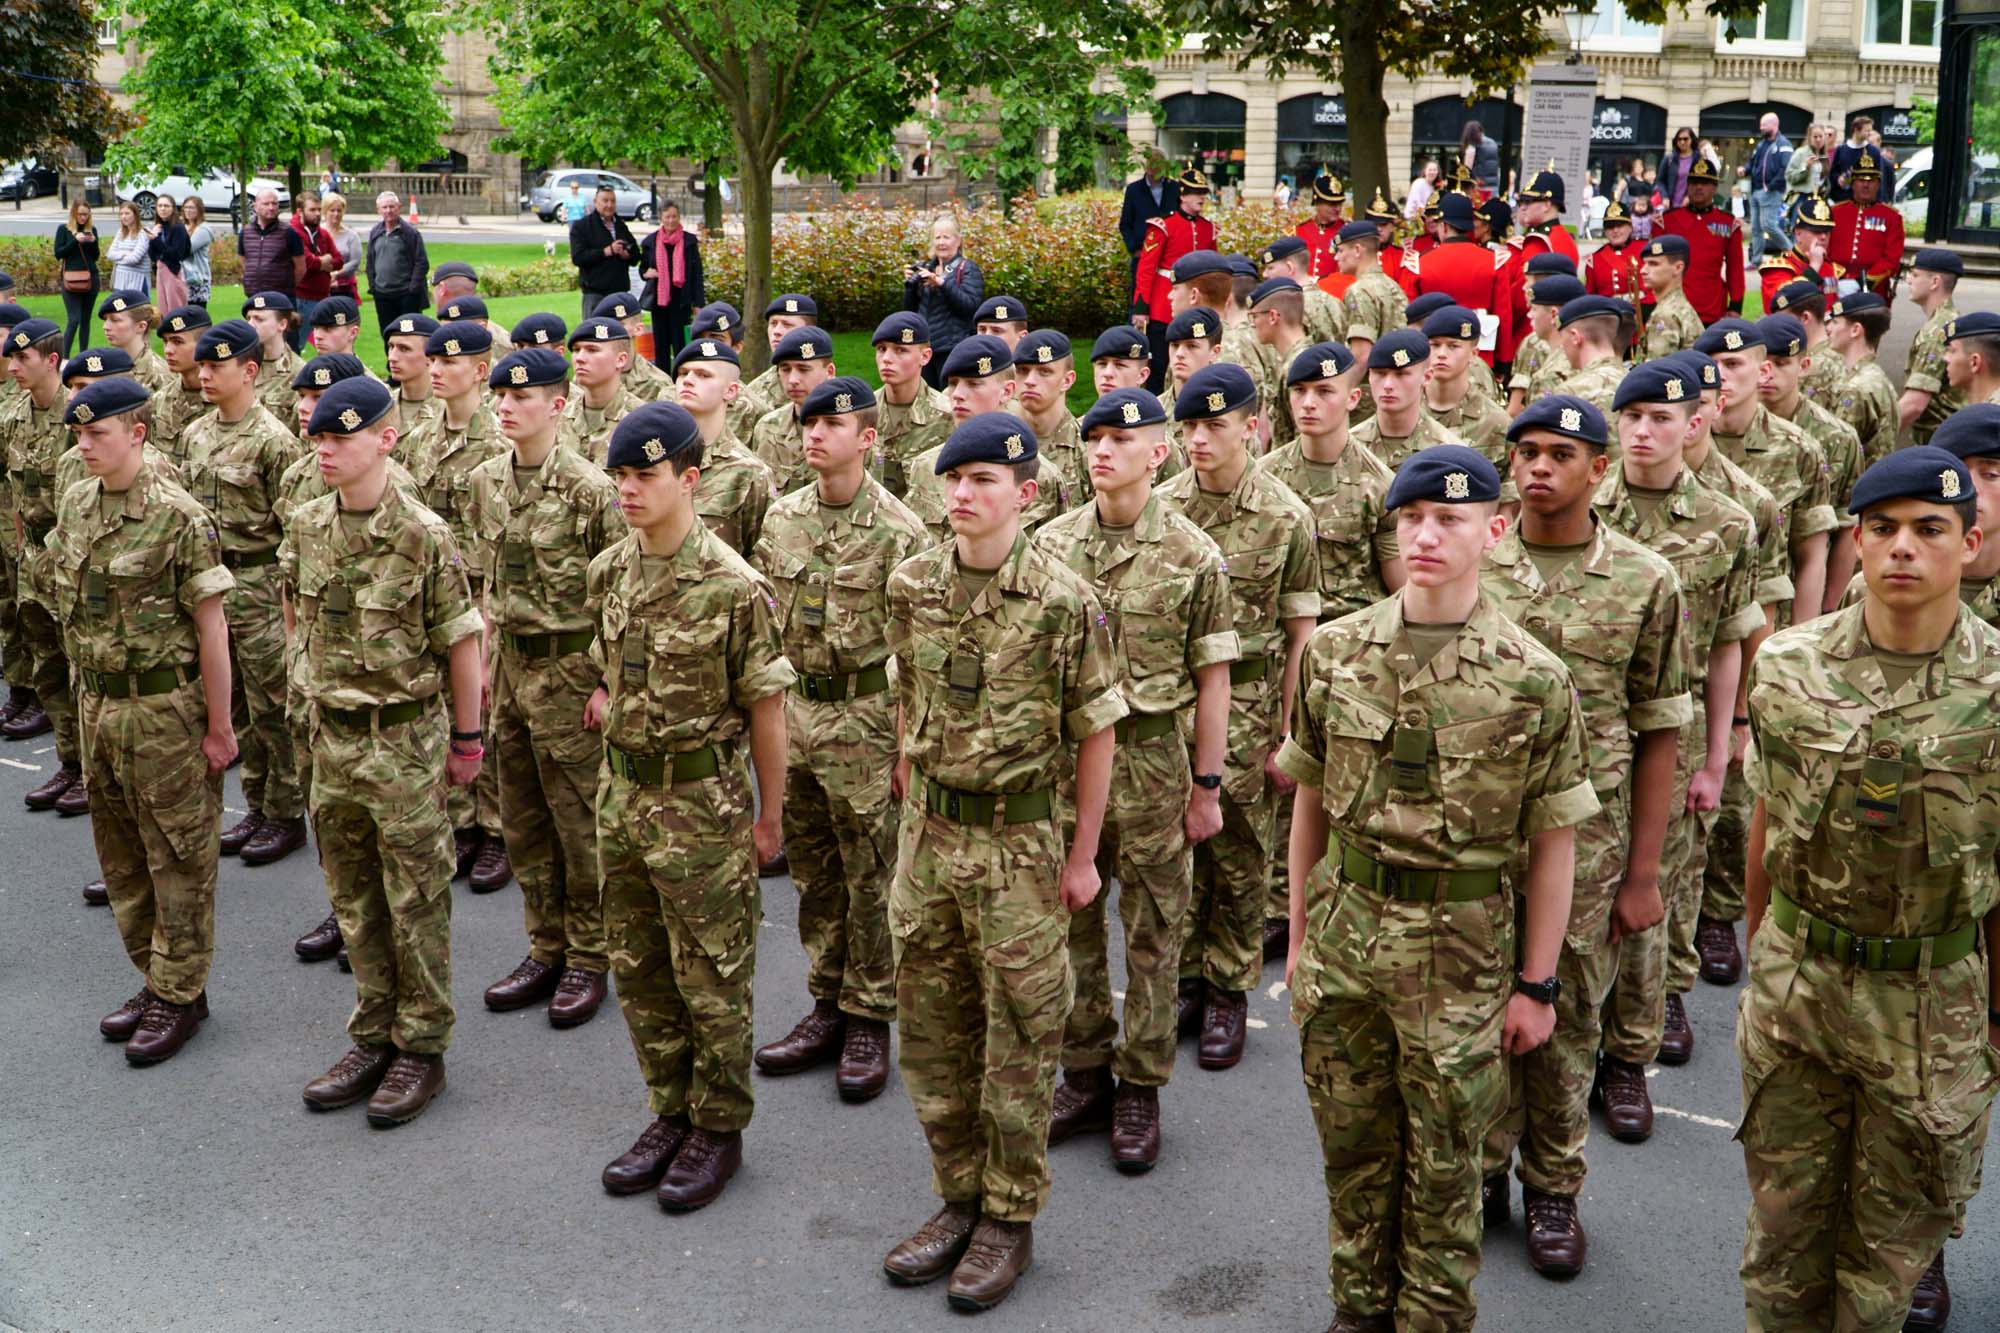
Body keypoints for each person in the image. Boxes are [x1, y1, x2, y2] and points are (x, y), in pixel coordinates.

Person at [1281, 441, 1594, 1329]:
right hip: (1346, 933)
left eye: (1449, 519)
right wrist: (1300, 939)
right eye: (1411, 517)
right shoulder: (1337, 652)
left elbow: (1555, 842)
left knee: (1448, 1169)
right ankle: (1357, 1307)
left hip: (1463, 949)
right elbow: (1309, 799)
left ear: (1494, 530)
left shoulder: (1534, 677)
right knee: (1353, 1150)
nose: (1425, 535)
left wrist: (1537, 983)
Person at [1738, 446, 2000, 1330]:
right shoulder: (1788, 665)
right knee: (1780, 1251)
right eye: (1882, 529)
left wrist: (1996, 1017)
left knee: (1885, 1275)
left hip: (1933, 1001)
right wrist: (1760, 962)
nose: (1902, 549)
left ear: (1969, 542)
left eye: (1930, 530)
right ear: (1856, 539)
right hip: (1797, 988)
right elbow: (1766, 825)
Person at [876, 410, 1124, 1312]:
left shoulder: (1064, 601)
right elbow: (908, 689)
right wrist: (910, 775)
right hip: (931, 841)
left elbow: (1095, 730)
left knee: (1019, 1039)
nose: (964, 494)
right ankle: (957, 1198)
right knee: (935, 1032)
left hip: (1021, 843)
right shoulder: (910, 584)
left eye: (984, 480)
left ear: (1026, 493)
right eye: (954, 479)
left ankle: (1009, 1218)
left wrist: (1083, 855)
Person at [1476, 396, 1690, 1279]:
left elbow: (1660, 733)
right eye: (1525, 451)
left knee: (1564, 1020)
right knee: (1477, 1012)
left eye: (1560, 453)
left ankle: (1554, 1186)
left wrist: (1643, 873)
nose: (1537, 467)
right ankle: (1483, 1169)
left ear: (1598, 469)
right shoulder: (1474, 560)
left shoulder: (1645, 580)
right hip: (1478, 839)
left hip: (1590, 846)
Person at [589, 399, 791, 1209]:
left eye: (646, 475)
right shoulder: (610, 570)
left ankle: (718, 1125)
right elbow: (609, 677)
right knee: (639, 971)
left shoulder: (735, 588)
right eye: (620, 477)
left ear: (690, 478)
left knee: (713, 975)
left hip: (702, 805)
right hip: (623, 796)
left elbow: (768, 712)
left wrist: (768, 815)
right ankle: (668, 1107)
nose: (629, 491)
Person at [1034, 386, 1236, 1168]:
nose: (1101, 450)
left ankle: (1141, 1083)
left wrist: (1207, 786)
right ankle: (1084, 1072)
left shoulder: (1192, 554)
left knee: (1155, 936)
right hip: (1068, 765)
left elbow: (1213, 678)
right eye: (1094, 438)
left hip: (1154, 763)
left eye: (1122, 439)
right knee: (1073, 928)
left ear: (1160, 453)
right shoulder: (1050, 544)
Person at [287, 376, 485, 1127]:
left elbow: (462, 642)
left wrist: (467, 741)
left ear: (386, 439)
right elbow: (295, 606)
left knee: (417, 899)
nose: (327, 450)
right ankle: (373, 1030)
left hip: (403, 741)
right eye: (321, 438)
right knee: (354, 900)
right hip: (331, 740)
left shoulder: (423, 533)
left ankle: (422, 1046)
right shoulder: (307, 524)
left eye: (342, 437)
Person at [1592, 360, 1760, 1143]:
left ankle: (1629, 1053)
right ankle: (1569, 1034)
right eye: (1631, 417)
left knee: (1654, 891)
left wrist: (1723, 749)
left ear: (1693, 420)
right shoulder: (1585, 504)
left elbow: (1730, 642)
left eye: (1661, 417)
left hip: (1680, 722)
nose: (1644, 430)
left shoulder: (1727, 523)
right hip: (1586, 727)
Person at [747, 375, 926, 1101]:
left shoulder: (900, 531)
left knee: (873, 873)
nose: (814, 432)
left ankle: (869, 1015)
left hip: (867, 718)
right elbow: (762, 628)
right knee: (816, 874)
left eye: (832, 422)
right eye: (807, 422)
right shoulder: (781, 520)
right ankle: (826, 1000)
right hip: (798, 716)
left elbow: (915, 653)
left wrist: (907, 748)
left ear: (869, 437)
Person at [48, 375, 237, 1062]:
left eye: (99, 432)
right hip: (100, 704)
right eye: (80, 433)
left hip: (166, 709)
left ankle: (181, 993)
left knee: (178, 856)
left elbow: (212, 629)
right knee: (122, 855)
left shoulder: (179, 516)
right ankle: (159, 977)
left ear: (138, 433)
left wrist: (220, 725)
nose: (86, 444)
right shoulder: (76, 503)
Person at [1156, 363, 1317, 1067]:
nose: (1198, 439)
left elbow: (1301, 633)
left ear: (1251, 427)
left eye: (1214, 425)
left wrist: (1292, 727)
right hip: (1175, 702)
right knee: (1176, 847)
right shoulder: (1163, 507)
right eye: (1189, 426)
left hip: (1251, 705)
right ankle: (1187, 976)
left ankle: (1228, 985)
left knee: (1243, 854)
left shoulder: (1286, 515)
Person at [466, 346, 618, 1028]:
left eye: (521, 397)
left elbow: (622, 594)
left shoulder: (591, 490)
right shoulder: (485, 482)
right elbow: (488, 586)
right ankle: (545, 944)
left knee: (578, 822)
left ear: (557, 406)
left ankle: (589, 953)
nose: (505, 405)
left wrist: (607, 683)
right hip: (512, 669)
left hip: (570, 673)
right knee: (523, 821)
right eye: (499, 395)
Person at [179, 318, 311, 866]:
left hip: (259, 583)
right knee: (231, 702)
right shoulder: (196, 434)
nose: (204, 375)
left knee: (271, 704)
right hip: (213, 582)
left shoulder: (274, 441)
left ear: (249, 371)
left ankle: (285, 813)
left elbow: (291, 527)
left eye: (216, 366)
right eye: (202, 366)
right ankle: (255, 804)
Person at [2, 318, 85, 804]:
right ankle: (69, 762)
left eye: (23, 358)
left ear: (51, 360)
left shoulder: (78, 419)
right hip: (33, 559)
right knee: (48, 668)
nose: (13, 367)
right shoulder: (13, 417)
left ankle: (94, 774)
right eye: (11, 358)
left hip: (71, 563)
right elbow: (13, 493)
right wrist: (23, 553)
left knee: (80, 672)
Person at [671, 335, 777, 560]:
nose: (688, 380)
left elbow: (762, 559)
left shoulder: (749, 473)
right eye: (683, 373)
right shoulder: (656, 461)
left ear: (731, 391)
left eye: (703, 375)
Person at [1132, 169, 1216, 392]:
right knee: (1160, 364)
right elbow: (1146, 268)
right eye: (1196, 193)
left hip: (1198, 305)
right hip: (1164, 307)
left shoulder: (1209, 229)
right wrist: (1141, 307)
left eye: (1203, 193)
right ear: (1182, 195)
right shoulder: (1163, 226)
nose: (1201, 198)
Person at [1414, 193, 1509, 369]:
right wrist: (1503, 362)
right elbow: (1504, 315)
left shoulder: (1419, 263)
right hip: (1480, 353)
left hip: (1433, 355)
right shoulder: (1495, 261)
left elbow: (1411, 317)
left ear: (1443, 226)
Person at [902, 215, 985, 391]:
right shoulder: (927, 267)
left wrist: (942, 284)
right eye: (937, 237)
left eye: (946, 237)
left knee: (950, 399)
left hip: (953, 348)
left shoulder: (967, 268)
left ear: (958, 240)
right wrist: (910, 285)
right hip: (926, 347)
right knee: (925, 398)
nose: (941, 242)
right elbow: (911, 309)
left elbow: (970, 306)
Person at [1420, 306, 1511, 463]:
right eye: (1434, 345)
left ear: (1473, 354)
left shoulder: (1496, 424)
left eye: (1453, 346)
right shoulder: (1403, 411)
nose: (1441, 354)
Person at [1824, 291, 1902, 473]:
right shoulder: (1878, 377)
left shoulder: (1856, 388)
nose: (1828, 328)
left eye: (1835, 322)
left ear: (1855, 330)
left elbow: (1838, 457)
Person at [1659, 157, 1743, 324]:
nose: (1698, 187)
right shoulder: (1666, 221)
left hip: (1711, 308)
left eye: (1704, 183)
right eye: (1694, 182)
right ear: (1687, 186)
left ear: (1714, 187)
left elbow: (1735, 269)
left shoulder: (1728, 224)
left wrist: (1735, 305)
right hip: (1672, 308)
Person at [1899, 248, 1967, 446]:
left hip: (1940, 441)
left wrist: (1878, 436)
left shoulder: (1936, 332)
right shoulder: (1951, 320)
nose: (1908, 280)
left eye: (1914, 274)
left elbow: (1914, 404)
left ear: (1935, 282)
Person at [556, 316, 642, 465]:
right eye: (576, 350)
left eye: (592, 350)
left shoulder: (641, 420)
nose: (580, 358)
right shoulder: (557, 418)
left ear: (621, 360)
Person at [1827, 157, 1904, 303]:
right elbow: (1824, 250)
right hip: (1834, 282)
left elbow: (1892, 258)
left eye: (1871, 180)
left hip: (1873, 285)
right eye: (1861, 180)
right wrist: (1834, 281)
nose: (1866, 185)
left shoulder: (1891, 217)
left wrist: (1862, 282)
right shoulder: (1835, 212)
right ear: (1853, 183)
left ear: (1878, 184)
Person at [638, 201, 705, 367]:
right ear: (661, 217)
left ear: (679, 217)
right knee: (661, 345)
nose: (671, 220)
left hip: (681, 301)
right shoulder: (650, 242)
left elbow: (697, 275)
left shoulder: (689, 242)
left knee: (680, 344)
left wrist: (698, 303)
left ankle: (680, 376)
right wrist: (647, 273)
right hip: (659, 302)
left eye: (674, 216)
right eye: (667, 217)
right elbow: (643, 269)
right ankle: (663, 380)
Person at [1552, 296, 1629, 420]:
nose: (1562, 346)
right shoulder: (1635, 382)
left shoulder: (1571, 392)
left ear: (1575, 337)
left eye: (1562, 338)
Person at [569, 186, 639, 321]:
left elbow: (636, 253)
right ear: (596, 202)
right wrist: (605, 252)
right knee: (597, 335)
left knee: (620, 335)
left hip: (619, 291)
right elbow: (578, 257)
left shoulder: (620, 225)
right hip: (595, 293)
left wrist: (627, 255)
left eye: (613, 201)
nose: (609, 205)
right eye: (605, 201)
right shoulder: (582, 226)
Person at [365, 192, 431, 335]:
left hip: (405, 295)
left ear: (399, 207)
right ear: (378, 210)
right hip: (382, 295)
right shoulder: (375, 233)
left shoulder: (410, 233)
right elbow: (370, 261)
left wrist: (412, 289)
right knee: (388, 333)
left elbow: (422, 262)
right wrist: (373, 286)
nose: (388, 211)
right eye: (384, 207)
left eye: (391, 207)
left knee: (409, 334)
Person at [1757, 193, 1835, 311]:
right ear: (1798, 234)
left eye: (1827, 232)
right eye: (1817, 231)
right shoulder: (1778, 268)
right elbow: (1781, 305)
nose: (1823, 237)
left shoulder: (1830, 268)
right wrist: (1813, 269)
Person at [1741, 113, 1794, 267]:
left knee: (1768, 225)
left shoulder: (1784, 144)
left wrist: (1770, 186)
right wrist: (1744, 170)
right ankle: (1756, 260)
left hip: (1771, 191)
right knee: (1756, 228)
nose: (1761, 128)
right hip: (1756, 191)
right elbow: (1753, 163)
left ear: (1774, 125)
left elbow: (1786, 168)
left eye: (1764, 125)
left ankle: (1791, 252)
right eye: (1761, 125)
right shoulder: (1761, 144)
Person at [290, 190, 341, 340]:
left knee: (326, 341)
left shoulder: (322, 234)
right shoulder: (293, 232)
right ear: (300, 211)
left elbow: (339, 260)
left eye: (319, 210)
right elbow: (307, 262)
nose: (317, 214)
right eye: (312, 210)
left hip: (322, 296)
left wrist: (320, 261)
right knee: (297, 342)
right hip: (302, 297)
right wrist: (322, 261)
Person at [1119, 155, 1180, 273]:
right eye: (1152, 164)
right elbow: (1125, 224)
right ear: (1146, 167)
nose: (1155, 168)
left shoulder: (1175, 188)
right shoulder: (1134, 190)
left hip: (1170, 256)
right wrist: (1134, 249)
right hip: (1142, 254)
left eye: (1159, 164)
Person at [55, 201, 101, 357]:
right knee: (74, 319)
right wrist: (75, 241)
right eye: (80, 214)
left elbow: (95, 257)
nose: (83, 217)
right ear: (73, 214)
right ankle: (65, 357)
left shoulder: (91, 230)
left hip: (91, 278)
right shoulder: (64, 230)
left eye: (86, 214)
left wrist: (92, 242)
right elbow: (59, 253)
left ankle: (84, 355)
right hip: (71, 279)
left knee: (85, 319)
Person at [1294, 175, 1347, 281]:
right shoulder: (1298, 231)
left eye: (1339, 203)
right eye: (1332, 204)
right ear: (1317, 202)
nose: (1337, 208)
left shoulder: (1347, 232)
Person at [147, 195, 190, 316]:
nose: (163, 209)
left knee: (175, 311)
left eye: (166, 206)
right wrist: (153, 237)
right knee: (164, 312)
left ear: (173, 208)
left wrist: (155, 239)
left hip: (173, 271)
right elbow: (152, 255)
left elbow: (176, 254)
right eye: (160, 206)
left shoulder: (178, 228)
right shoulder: (159, 227)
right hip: (161, 272)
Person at [321, 193, 362, 301]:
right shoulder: (317, 233)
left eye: (339, 210)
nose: (336, 214)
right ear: (325, 211)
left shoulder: (351, 236)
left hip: (345, 289)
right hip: (320, 287)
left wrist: (337, 274)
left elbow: (355, 262)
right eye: (332, 210)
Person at [106, 201, 151, 299]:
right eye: (121, 214)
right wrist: (125, 253)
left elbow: (134, 259)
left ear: (135, 215)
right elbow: (109, 254)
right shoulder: (121, 232)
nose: (123, 217)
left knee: (139, 312)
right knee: (121, 312)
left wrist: (118, 258)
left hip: (138, 282)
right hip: (119, 281)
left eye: (127, 213)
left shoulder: (143, 233)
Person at [1829, 114, 1878, 202]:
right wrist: (1838, 179)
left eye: (1870, 130)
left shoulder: (1873, 151)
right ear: (1856, 130)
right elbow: (1833, 172)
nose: (1870, 133)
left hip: (1865, 201)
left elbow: (1878, 177)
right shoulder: (1841, 149)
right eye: (1867, 130)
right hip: (1842, 199)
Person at [179, 198, 217, 307]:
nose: (188, 210)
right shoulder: (183, 227)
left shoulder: (203, 230)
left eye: (191, 207)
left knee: (196, 313)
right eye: (186, 207)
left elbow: (186, 250)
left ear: (199, 210)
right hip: (183, 277)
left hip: (198, 278)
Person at [1786, 122, 1833, 207]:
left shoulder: (1825, 156)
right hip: (1802, 197)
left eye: (1820, 136)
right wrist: (1805, 168)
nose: (1818, 139)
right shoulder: (1800, 153)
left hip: (1819, 199)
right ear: (1810, 138)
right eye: (1815, 137)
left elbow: (1824, 181)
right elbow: (1789, 176)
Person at [1659, 126, 1699, 211]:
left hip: (1691, 206)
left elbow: (1703, 182)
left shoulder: (1699, 160)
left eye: (1685, 139)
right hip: (1671, 207)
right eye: (1679, 139)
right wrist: (1665, 197)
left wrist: (1690, 196)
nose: (1682, 142)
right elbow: (1660, 180)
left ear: (1692, 140)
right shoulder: (1669, 158)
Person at [1461, 119, 1500, 194]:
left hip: (1479, 188)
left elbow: (1467, 170)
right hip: (1494, 187)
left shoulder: (1472, 147)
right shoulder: (1493, 143)